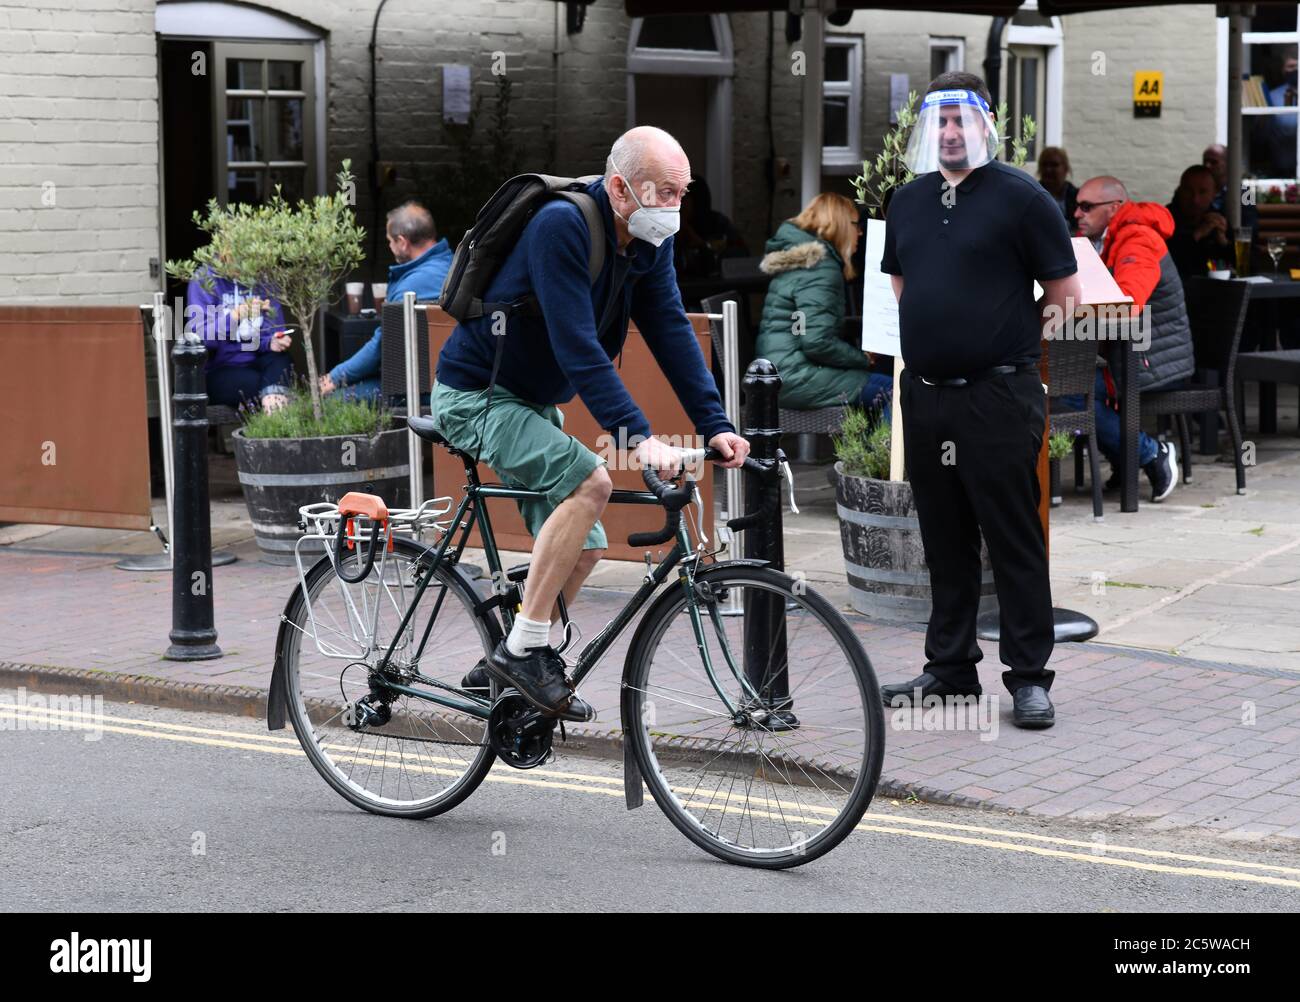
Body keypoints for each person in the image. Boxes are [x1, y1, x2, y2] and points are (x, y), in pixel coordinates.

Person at [431, 126, 749, 720]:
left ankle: (508, 656)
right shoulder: (563, 226)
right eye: (666, 193)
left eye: (685, 192)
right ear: (623, 189)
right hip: (476, 396)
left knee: (588, 544)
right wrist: (639, 439)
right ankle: (526, 648)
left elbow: (671, 328)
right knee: (593, 483)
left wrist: (715, 424)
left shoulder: (648, 242)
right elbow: (578, 346)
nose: (677, 207)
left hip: (528, 403)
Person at [878, 71, 1081, 730]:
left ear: (984, 125)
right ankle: (950, 669)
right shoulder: (904, 201)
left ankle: (1028, 677)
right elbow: (904, 287)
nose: (950, 132)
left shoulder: (1023, 199)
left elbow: (1065, 296)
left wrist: (1012, 354)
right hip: (929, 397)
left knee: (1013, 537)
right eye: (938, 121)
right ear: (926, 128)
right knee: (943, 539)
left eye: (961, 120)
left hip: (998, 396)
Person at [1066, 175, 1190, 502]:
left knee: (1067, 390)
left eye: (1086, 207)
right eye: (1076, 206)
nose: (1077, 213)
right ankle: (1128, 456)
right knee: (1057, 381)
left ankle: (1151, 453)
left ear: (1114, 208)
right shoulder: (1097, 239)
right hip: (1123, 352)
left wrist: (1068, 313)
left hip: (1151, 358)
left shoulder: (1138, 239)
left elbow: (1127, 306)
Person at [754, 192, 891, 415]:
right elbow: (816, 342)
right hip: (794, 378)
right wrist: (863, 359)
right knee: (893, 392)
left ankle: (867, 448)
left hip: (779, 373)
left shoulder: (804, 261)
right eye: (856, 224)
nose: (860, 232)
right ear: (840, 226)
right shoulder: (820, 269)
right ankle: (880, 450)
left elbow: (810, 327)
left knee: (880, 387)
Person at [320, 201, 453, 402]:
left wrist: (335, 377)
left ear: (402, 242)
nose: (389, 247)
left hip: (418, 389)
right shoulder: (450, 264)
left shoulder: (412, 285)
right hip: (446, 381)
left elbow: (382, 347)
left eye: (390, 241)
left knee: (335, 400)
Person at [185, 273, 292, 413]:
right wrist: (235, 317)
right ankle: (276, 424)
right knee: (269, 386)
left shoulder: (265, 279)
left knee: (282, 360)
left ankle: (272, 421)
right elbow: (200, 339)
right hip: (219, 369)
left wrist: (272, 341)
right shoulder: (203, 279)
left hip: (258, 362)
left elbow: (272, 330)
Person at [673, 176, 748, 279]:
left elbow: (740, 258)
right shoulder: (672, 225)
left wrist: (702, 245)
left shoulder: (717, 223)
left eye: (683, 198)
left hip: (717, 288)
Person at [1166, 165, 1230, 281]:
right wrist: (1197, 235)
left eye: (1203, 192)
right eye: (1188, 191)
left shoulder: (1217, 218)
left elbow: (1249, 267)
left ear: (1214, 194)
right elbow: (1169, 263)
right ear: (1179, 191)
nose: (1195, 199)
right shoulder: (1165, 219)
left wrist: (1223, 242)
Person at [1037, 146, 1078, 228]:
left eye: (1054, 165)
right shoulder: (1033, 194)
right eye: (1044, 164)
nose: (1048, 169)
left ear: (1065, 168)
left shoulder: (1076, 197)